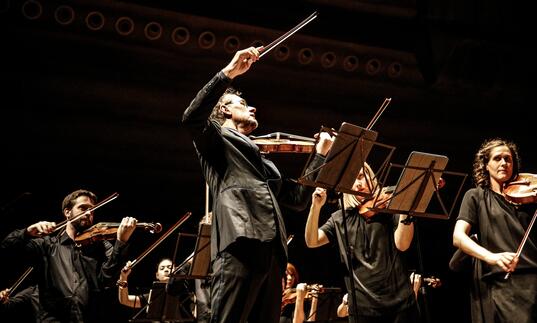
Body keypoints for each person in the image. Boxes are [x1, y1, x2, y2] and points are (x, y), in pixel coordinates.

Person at [181, 46, 333, 323]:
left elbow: (298, 198)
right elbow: (191, 117)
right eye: (242, 103)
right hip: (241, 239)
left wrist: (320, 155)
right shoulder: (215, 139)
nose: (252, 107)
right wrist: (229, 72)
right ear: (225, 109)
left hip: (273, 249)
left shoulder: (265, 162)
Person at [0, 189, 138, 322]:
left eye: (92, 209)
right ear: (67, 212)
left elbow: (108, 279)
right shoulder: (48, 245)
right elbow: (7, 247)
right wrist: (27, 232)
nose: (89, 213)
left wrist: (121, 242)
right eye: (83, 208)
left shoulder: (100, 247)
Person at [305, 162, 418, 323]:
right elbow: (312, 240)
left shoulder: (391, 210)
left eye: (361, 177)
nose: (358, 184)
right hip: (362, 308)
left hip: (401, 305)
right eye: (352, 181)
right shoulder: (340, 218)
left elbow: (403, 244)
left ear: (371, 176)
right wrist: (315, 208)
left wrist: (406, 207)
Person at [452, 138, 537, 323]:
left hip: (534, 276)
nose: (504, 163)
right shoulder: (476, 196)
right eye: (497, 158)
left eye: (508, 159)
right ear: (486, 165)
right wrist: (491, 257)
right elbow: (458, 237)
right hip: (505, 283)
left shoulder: (528, 197)